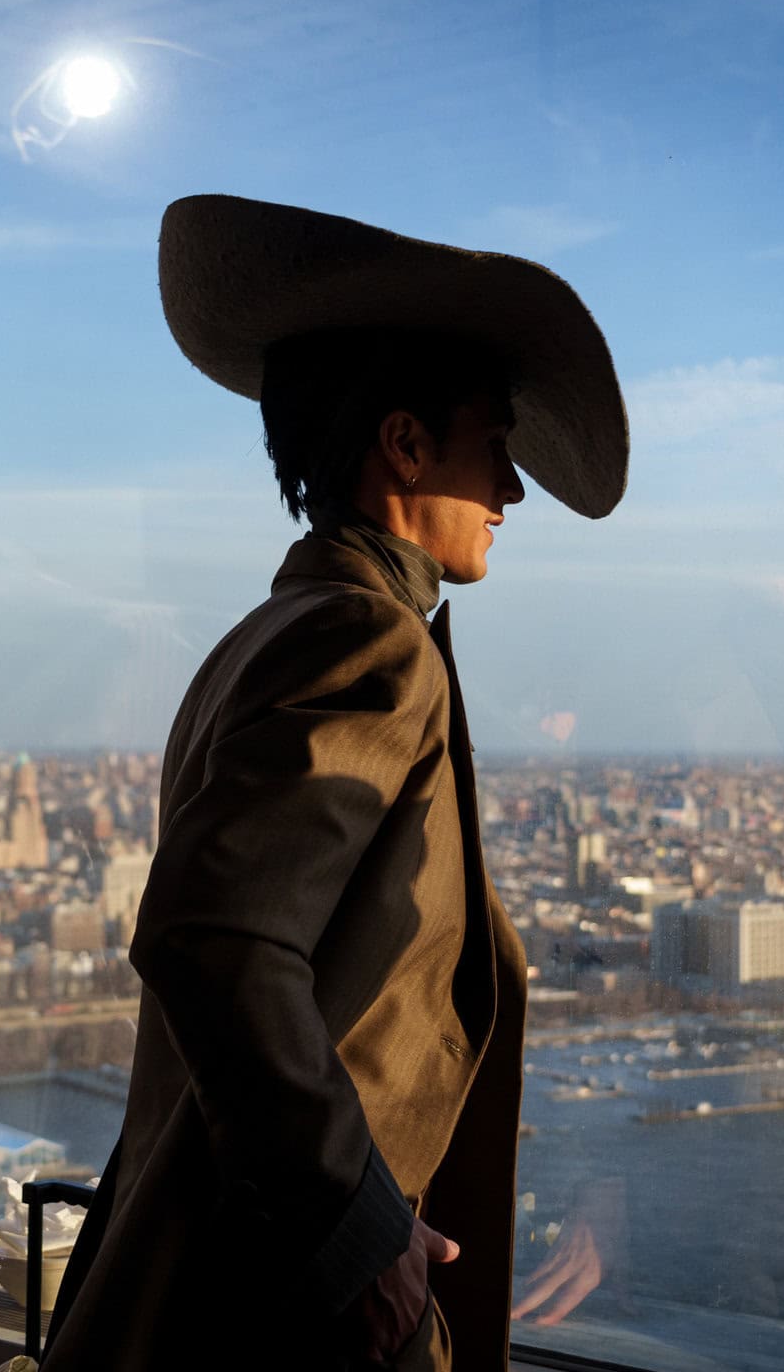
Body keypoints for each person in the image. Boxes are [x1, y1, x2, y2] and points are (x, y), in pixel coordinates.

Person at [40, 195, 629, 1372]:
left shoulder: (270, 631)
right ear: (404, 445)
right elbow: (215, 937)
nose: (510, 489)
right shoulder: (370, 644)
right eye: (491, 440)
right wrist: (359, 1236)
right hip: (272, 1307)